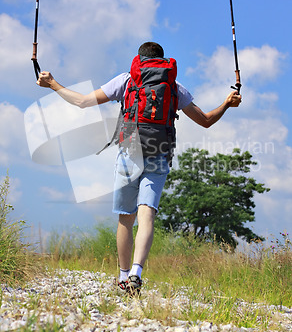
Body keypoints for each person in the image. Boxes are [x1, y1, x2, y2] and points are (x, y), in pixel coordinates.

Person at [37, 42, 241, 295]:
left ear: (139, 59)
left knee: (126, 218)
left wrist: (53, 84)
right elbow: (206, 121)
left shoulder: (126, 81)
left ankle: (123, 277)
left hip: (129, 153)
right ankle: (136, 272)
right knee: (147, 216)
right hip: (160, 154)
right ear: (163, 61)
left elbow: (82, 102)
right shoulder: (175, 88)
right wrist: (226, 103)